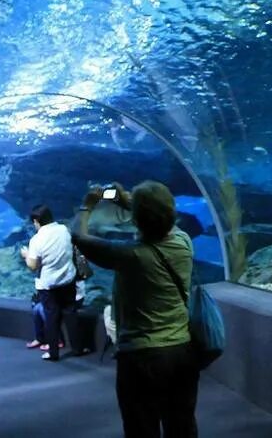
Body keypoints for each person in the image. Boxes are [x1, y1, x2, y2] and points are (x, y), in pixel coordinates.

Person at [73, 181, 199, 438]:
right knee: (182, 424)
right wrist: (130, 202)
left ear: (136, 220)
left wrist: (87, 206)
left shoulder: (129, 256)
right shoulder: (183, 243)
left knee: (141, 426)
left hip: (141, 356)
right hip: (181, 351)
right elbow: (160, 219)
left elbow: (78, 237)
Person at [20, 204, 77, 361]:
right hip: (68, 280)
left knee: (52, 318)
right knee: (71, 313)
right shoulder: (64, 229)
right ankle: (78, 347)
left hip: (49, 285)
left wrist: (26, 255)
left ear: (37, 221)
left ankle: (53, 352)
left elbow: (33, 266)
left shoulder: (37, 239)